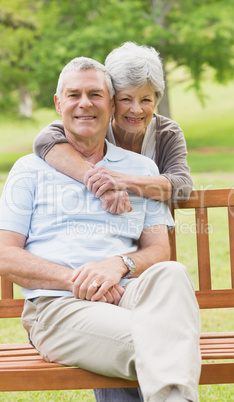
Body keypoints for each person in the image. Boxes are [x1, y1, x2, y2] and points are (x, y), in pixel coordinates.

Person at [0, 57, 201, 402]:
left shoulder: (142, 169)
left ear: (109, 104)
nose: (84, 103)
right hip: (58, 307)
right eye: (73, 94)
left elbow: (159, 251)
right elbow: (5, 254)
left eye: (95, 94)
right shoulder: (29, 170)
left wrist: (118, 265)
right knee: (164, 339)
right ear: (58, 103)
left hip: (129, 296)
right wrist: (79, 280)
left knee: (172, 273)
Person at [33, 42, 193, 215]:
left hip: (149, 229)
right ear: (111, 100)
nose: (136, 109)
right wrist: (101, 183)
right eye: (126, 99)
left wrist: (122, 180)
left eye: (146, 100)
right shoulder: (96, 127)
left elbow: (182, 185)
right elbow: (45, 140)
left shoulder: (167, 133)